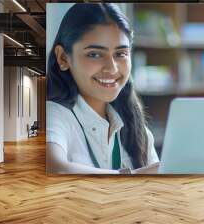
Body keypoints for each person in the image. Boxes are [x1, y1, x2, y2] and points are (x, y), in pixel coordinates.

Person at [46, 3, 159, 174]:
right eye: (95, 54)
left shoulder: (138, 130)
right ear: (63, 58)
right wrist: (132, 176)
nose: (112, 68)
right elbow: (54, 168)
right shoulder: (54, 114)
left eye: (120, 54)